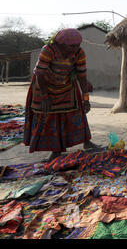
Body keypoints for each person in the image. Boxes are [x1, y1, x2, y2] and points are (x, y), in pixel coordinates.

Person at [23, 28, 98, 161]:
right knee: (50, 116)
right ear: (61, 44)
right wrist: (45, 96)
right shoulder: (48, 50)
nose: (76, 48)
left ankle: (87, 142)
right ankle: (56, 150)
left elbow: (82, 76)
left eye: (78, 45)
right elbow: (40, 74)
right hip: (44, 86)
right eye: (72, 46)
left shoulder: (79, 53)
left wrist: (86, 99)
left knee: (77, 111)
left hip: (67, 85)